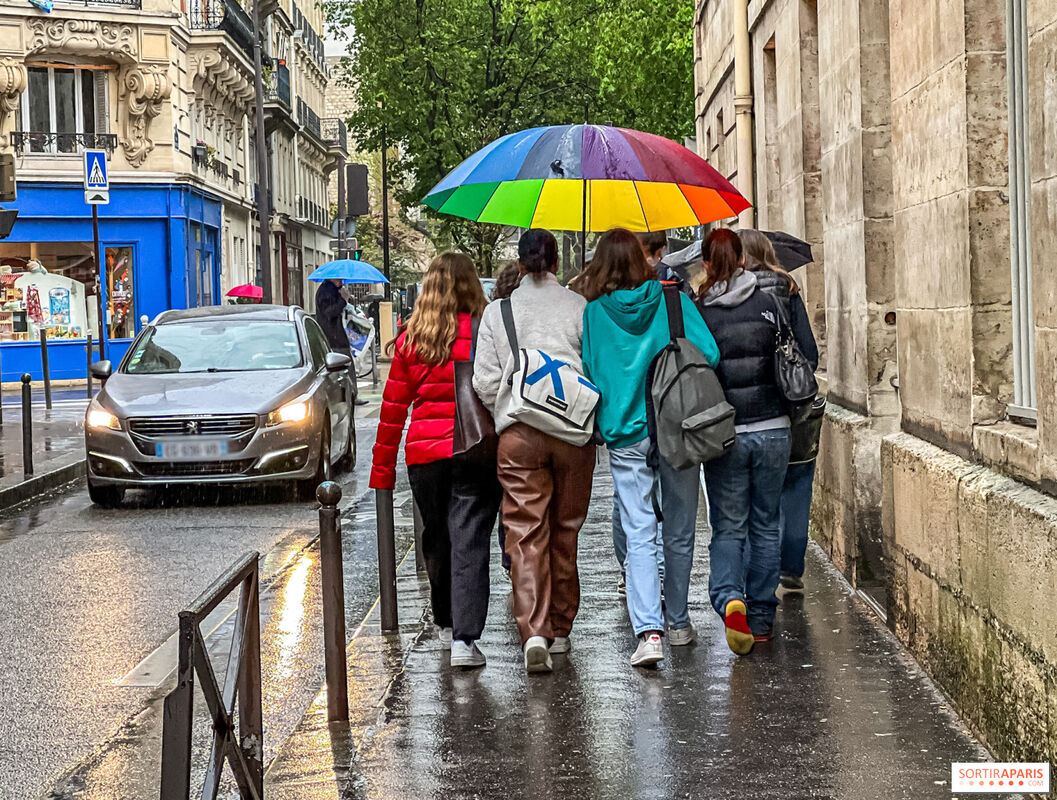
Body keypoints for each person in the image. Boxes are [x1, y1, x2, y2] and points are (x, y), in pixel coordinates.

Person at [579, 228, 719, 667]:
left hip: (624, 433)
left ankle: (649, 633)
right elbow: (709, 353)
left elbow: (589, 369)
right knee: (679, 529)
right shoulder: (671, 297)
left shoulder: (594, 314)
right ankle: (677, 621)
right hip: (675, 426)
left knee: (639, 531)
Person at [370, 253, 501, 669]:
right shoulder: (484, 333)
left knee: (437, 540)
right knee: (470, 541)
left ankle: (445, 623)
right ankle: (464, 640)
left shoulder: (412, 339)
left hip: (425, 456)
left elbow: (393, 410)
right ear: (470, 287)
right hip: (475, 448)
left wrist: (382, 471)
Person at [473, 229, 595, 674]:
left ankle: (534, 631)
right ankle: (561, 627)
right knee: (566, 528)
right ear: (557, 263)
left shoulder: (498, 312)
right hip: (572, 432)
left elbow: (484, 382)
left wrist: (509, 405)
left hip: (519, 432)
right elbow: (594, 368)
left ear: (521, 265)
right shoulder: (579, 307)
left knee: (524, 532)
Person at [695, 229, 816, 655]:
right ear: (743, 261)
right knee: (766, 522)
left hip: (725, 433)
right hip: (774, 429)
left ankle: (731, 597)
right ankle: (762, 618)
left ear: (708, 265)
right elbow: (801, 355)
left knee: (729, 525)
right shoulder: (769, 304)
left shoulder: (700, 312)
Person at [739, 229, 820, 593]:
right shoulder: (789, 291)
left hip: (751, 413)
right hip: (795, 406)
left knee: (752, 496)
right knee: (798, 481)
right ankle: (791, 565)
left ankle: (755, 575)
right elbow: (810, 354)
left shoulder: (731, 295)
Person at [489, 260, 522, 579]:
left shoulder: (494, 313)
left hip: (508, 419)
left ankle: (511, 557)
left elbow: (484, 380)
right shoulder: (553, 309)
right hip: (551, 415)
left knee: (509, 497)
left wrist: (499, 408)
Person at [314, 278, 351, 356]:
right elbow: (330, 312)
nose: (341, 282)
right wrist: (343, 300)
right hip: (334, 338)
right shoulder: (327, 291)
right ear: (332, 279)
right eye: (339, 279)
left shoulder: (333, 290)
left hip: (336, 338)